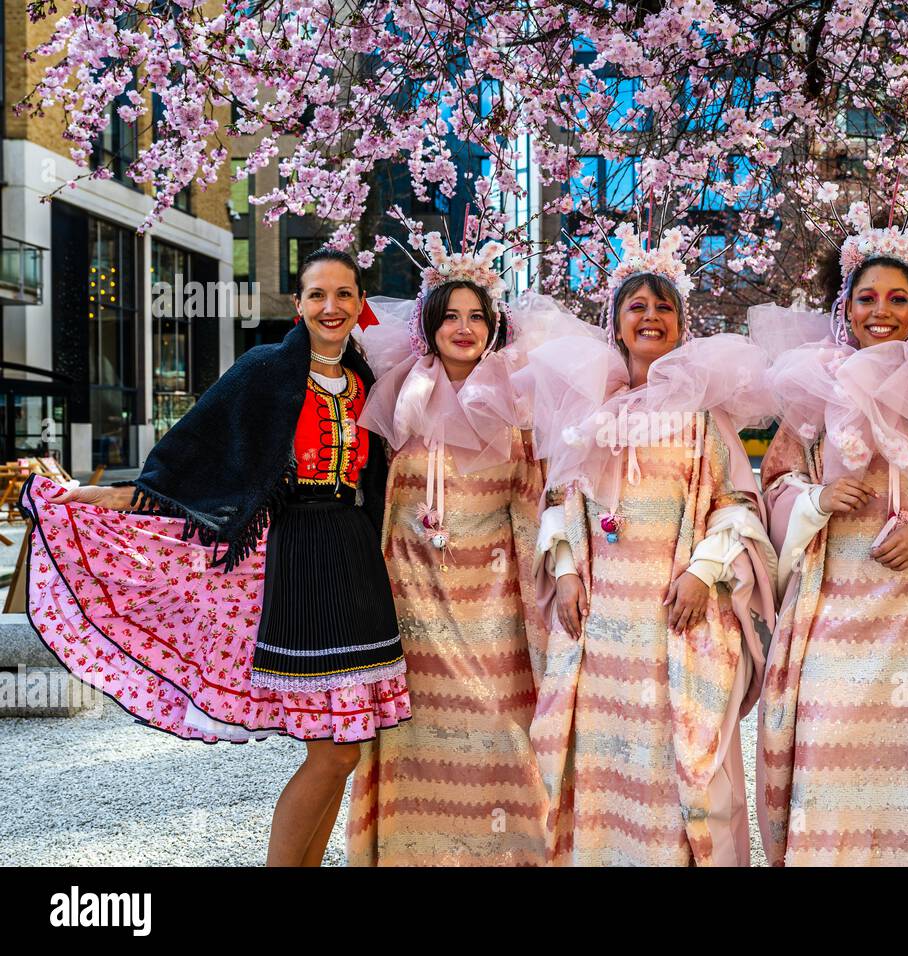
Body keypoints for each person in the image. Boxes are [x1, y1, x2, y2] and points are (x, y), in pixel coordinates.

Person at [22, 248, 409, 867]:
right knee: (332, 750)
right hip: (295, 558)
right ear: (299, 303)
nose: (331, 307)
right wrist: (111, 495)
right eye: (317, 294)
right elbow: (195, 453)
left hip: (354, 557)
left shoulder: (367, 379)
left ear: (361, 303)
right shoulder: (264, 370)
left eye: (343, 294)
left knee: (348, 745)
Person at [751, 199, 908, 866]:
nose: (882, 311)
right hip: (835, 613)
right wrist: (815, 498)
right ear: (845, 305)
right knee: (830, 768)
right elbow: (774, 486)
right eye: (867, 296)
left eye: (899, 297)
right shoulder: (809, 392)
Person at [526, 223, 777, 866]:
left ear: (681, 325)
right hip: (604, 627)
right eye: (637, 306)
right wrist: (567, 574)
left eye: (664, 306)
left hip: (674, 621)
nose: (651, 316)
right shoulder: (592, 414)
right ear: (616, 325)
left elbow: (738, 506)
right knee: (604, 759)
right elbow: (561, 500)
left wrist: (704, 571)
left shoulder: (702, 417)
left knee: (675, 766)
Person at [344, 235, 550, 865]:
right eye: (450, 316)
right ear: (428, 326)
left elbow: (534, 501)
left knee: (497, 729)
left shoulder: (520, 402)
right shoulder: (394, 398)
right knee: (414, 734)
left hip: (492, 602)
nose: (463, 328)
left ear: (495, 326)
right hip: (410, 601)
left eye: (476, 316)